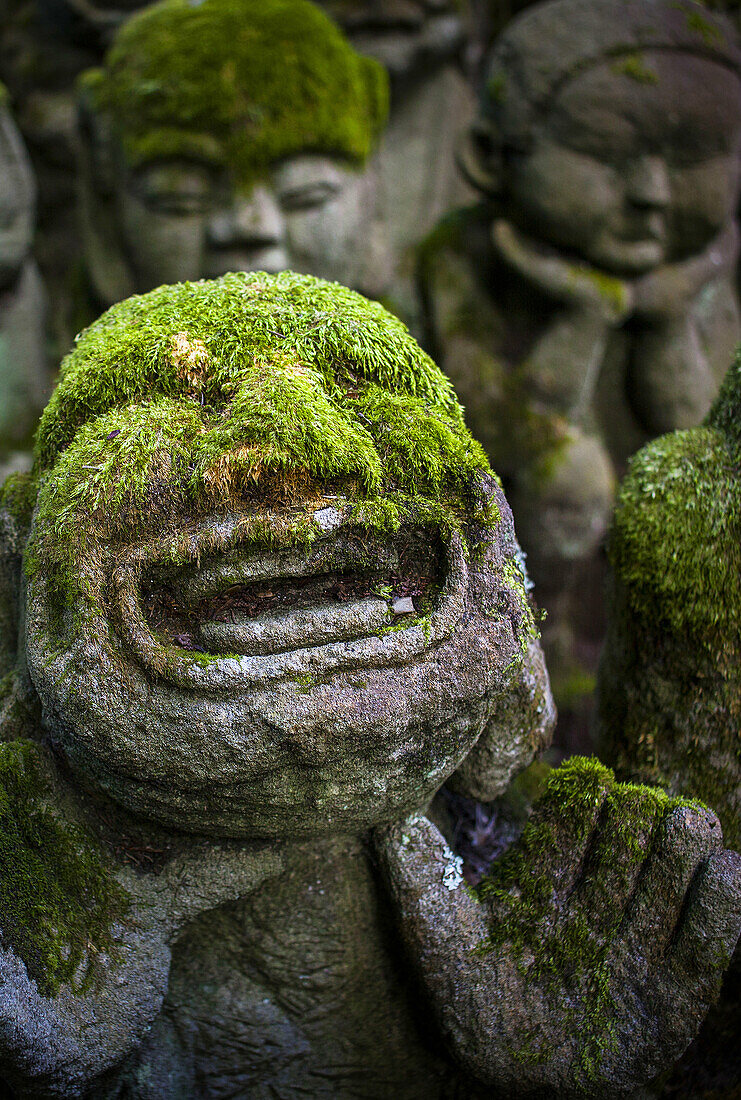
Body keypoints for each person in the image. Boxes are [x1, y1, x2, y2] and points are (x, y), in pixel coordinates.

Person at [419, 0, 741, 724]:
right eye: (606, 155)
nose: (649, 196)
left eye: (691, 159)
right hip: (533, 595)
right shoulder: (461, 260)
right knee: (569, 477)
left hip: (683, 617)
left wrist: (666, 324)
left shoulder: (710, 279)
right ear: (491, 158)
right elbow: (508, 440)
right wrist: (587, 312)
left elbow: (699, 440)